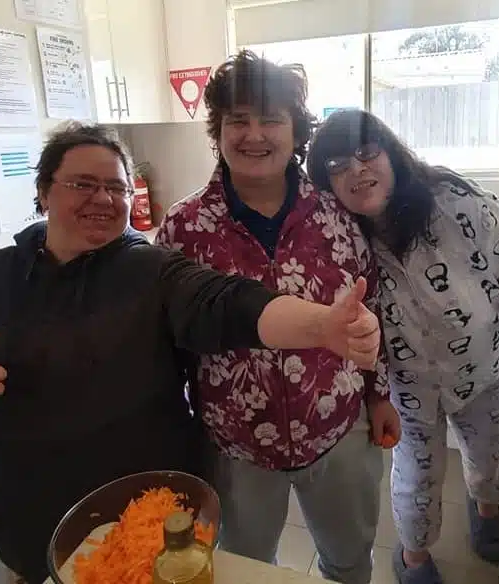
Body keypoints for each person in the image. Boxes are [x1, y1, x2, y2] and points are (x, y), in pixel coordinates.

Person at [0, 122, 382, 584]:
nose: (102, 198)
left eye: (116, 187)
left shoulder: (152, 272)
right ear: (43, 192)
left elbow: (230, 304)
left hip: (157, 525)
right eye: (82, 184)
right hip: (37, 529)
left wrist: (322, 325)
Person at [156, 51, 399, 584]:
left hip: (338, 430)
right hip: (234, 445)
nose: (254, 134)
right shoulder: (184, 227)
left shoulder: (338, 213)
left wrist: (379, 396)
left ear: (295, 130)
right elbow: (170, 339)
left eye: (271, 118)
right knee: (243, 571)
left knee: (350, 562)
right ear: (217, 130)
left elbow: (373, 308)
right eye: (237, 120)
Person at [306, 110, 499, 584]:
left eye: (367, 153)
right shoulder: (338, 238)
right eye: (337, 165)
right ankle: (413, 558)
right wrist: (374, 392)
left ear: (390, 152)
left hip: (480, 369)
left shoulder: (457, 203)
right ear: (325, 184)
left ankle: (487, 508)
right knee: (416, 481)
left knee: (487, 456)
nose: (356, 170)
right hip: (409, 388)